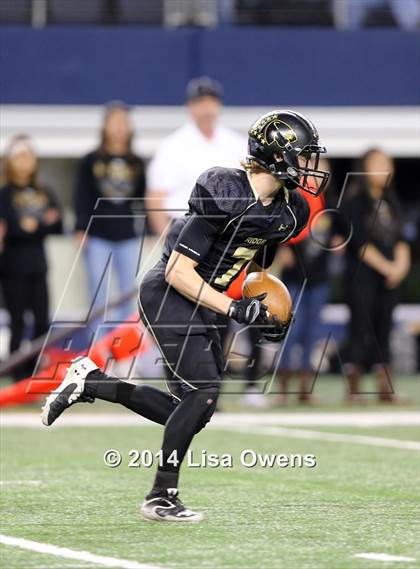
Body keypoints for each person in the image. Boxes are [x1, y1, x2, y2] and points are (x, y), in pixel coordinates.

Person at [41, 110, 330, 521]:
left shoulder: (290, 210)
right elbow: (179, 271)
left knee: (195, 408)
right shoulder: (224, 189)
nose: (307, 166)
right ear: (274, 156)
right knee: (202, 392)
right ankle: (161, 495)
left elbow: (254, 260)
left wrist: (267, 305)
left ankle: (92, 382)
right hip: (169, 291)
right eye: (301, 156)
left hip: (206, 299)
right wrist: (234, 307)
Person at [338, 148, 411, 402]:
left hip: (389, 280)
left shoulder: (392, 201)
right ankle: (354, 387)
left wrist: (400, 267)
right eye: (377, 163)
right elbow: (359, 243)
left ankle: (385, 387)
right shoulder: (354, 201)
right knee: (359, 329)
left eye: (387, 163)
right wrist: (387, 267)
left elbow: (402, 239)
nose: (383, 168)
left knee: (385, 330)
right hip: (363, 277)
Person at [74, 101, 146, 331]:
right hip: (98, 237)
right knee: (98, 295)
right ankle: (97, 350)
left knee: (128, 294)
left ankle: (124, 351)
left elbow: (142, 200)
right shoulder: (91, 160)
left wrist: (150, 231)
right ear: (104, 126)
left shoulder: (136, 162)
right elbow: (81, 195)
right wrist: (80, 228)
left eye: (123, 122)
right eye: (114, 122)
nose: (119, 128)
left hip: (128, 237)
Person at [147, 76, 244, 236]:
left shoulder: (236, 144)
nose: (207, 108)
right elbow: (155, 197)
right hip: (184, 228)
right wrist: (166, 240)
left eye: (211, 102)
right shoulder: (172, 146)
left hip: (228, 230)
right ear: (190, 107)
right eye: (201, 102)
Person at [0, 135, 62, 380]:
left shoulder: (43, 190)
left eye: (29, 156)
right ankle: (16, 372)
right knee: (17, 322)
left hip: (38, 264)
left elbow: (57, 225)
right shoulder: (4, 193)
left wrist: (32, 225)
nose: (26, 162)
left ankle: (33, 369)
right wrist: (39, 223)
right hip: (12, 266)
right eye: (20, 157)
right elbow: (13, 228)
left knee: (41, 322)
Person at [276, 158, 333, 404]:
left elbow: (338, 228)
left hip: (318, 276)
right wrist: (281, 246)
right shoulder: (291, 195)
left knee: (313, 332)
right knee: (291, 329)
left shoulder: (328, 201)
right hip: (294, 275)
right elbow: (278, 225)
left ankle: (304, 387)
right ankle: (283, 387)